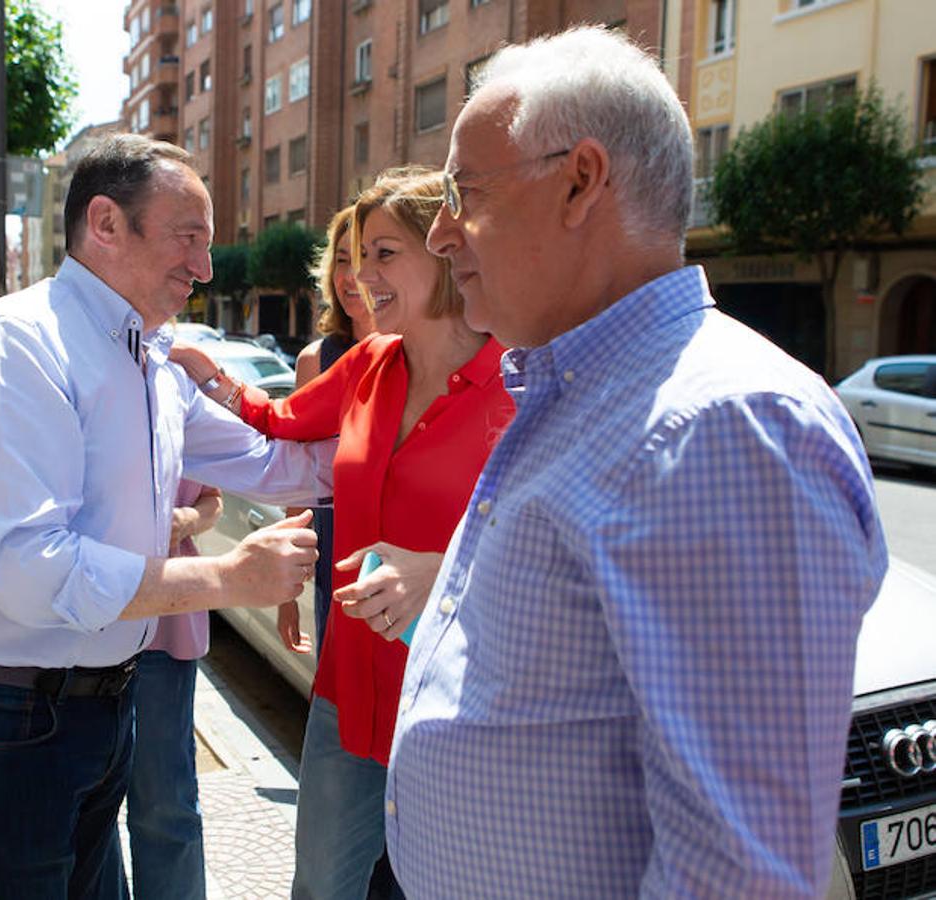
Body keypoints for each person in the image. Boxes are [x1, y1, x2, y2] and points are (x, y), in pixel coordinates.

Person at [387, 26, 889, 897]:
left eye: (463, 192)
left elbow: (740, 874)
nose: (440, 235)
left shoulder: (722, 426)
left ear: (580, 180)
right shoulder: (586, 389)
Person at [0, 133, 328, 899]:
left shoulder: (148, 358)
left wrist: (415, 405)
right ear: (105, 223)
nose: (204, 268)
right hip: (0, 717)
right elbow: (33, 573)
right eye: (187, 239)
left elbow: (281, 465)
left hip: (99, 705)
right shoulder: (20, 345)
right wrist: (229, 577)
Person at [170, 169, 515, 900]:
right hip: (348, 690)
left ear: (445, 249)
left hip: (459, 709)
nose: (361, 276)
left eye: (384, 253)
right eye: (358, 257)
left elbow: (551, 548)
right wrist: (214, 380)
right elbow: (281, 421)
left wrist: (442, 568)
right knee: (322, 888)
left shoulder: (520, 384)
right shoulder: (367, 363)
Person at [280, 205, 377, 658]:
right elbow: (296, 480)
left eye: (367, 256)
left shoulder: (431, 352)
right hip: (336, 557)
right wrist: (287, 593)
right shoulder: (315, 362)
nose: (352, 273)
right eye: (342, 259)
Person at [125, 478, 222, 900]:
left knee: (165, 802)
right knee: (85, 810)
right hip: (79, 630)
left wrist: (185, 520)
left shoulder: (186, 411)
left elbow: (212, 499)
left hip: (164, 628)